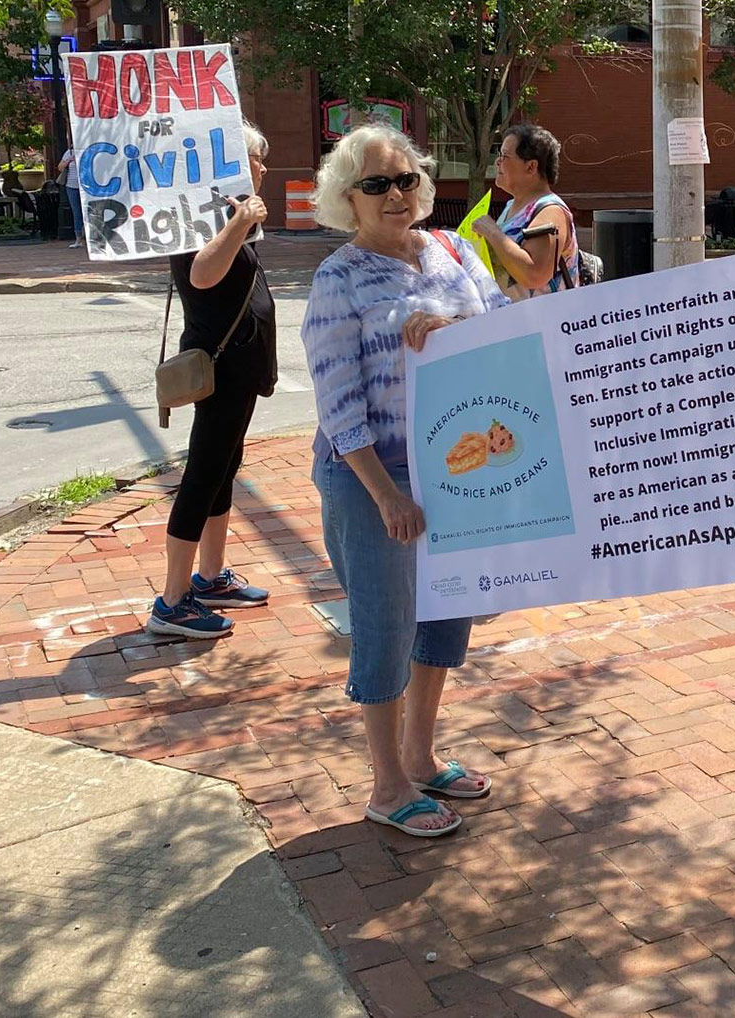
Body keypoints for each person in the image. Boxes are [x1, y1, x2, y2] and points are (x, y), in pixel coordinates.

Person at [300, 124, 506, 837]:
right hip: (372, 475)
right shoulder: (338, 278)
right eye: (376, 184)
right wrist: (386, 495)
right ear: (347, 199)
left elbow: (504, 330)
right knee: (386, 625)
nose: (396, 195)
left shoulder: (453, 251)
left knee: (446, 611)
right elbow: (338, 400)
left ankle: (421, 755)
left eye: (406, 179)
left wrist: (446, 323)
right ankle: (387, 786)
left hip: (455, 468)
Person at [145, 123, 278, 640]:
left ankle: (209, 576)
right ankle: (173, 600)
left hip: (240, 369)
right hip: (220, 371)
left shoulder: (225, 214)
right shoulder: (197, 219)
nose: (263, 169)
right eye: (254, 159)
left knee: (224, 470)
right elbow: (201, 275)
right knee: (202, 475)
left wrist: (241, 220)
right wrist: (240, 222)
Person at [470, 124, 583, 300]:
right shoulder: (512, 206)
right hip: (513, 322)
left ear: (530, 167)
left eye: (504, 156)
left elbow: (535, 275)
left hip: (544, 324)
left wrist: (492, 232)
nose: (497, 161)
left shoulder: (551, 211)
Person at [55, 145, 85, 249]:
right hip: (71, 186)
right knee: (76, 212)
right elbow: (60, 167)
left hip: (86, 186)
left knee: (89, 211)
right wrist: (69, 160)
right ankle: (78, 239)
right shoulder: (70, 152)